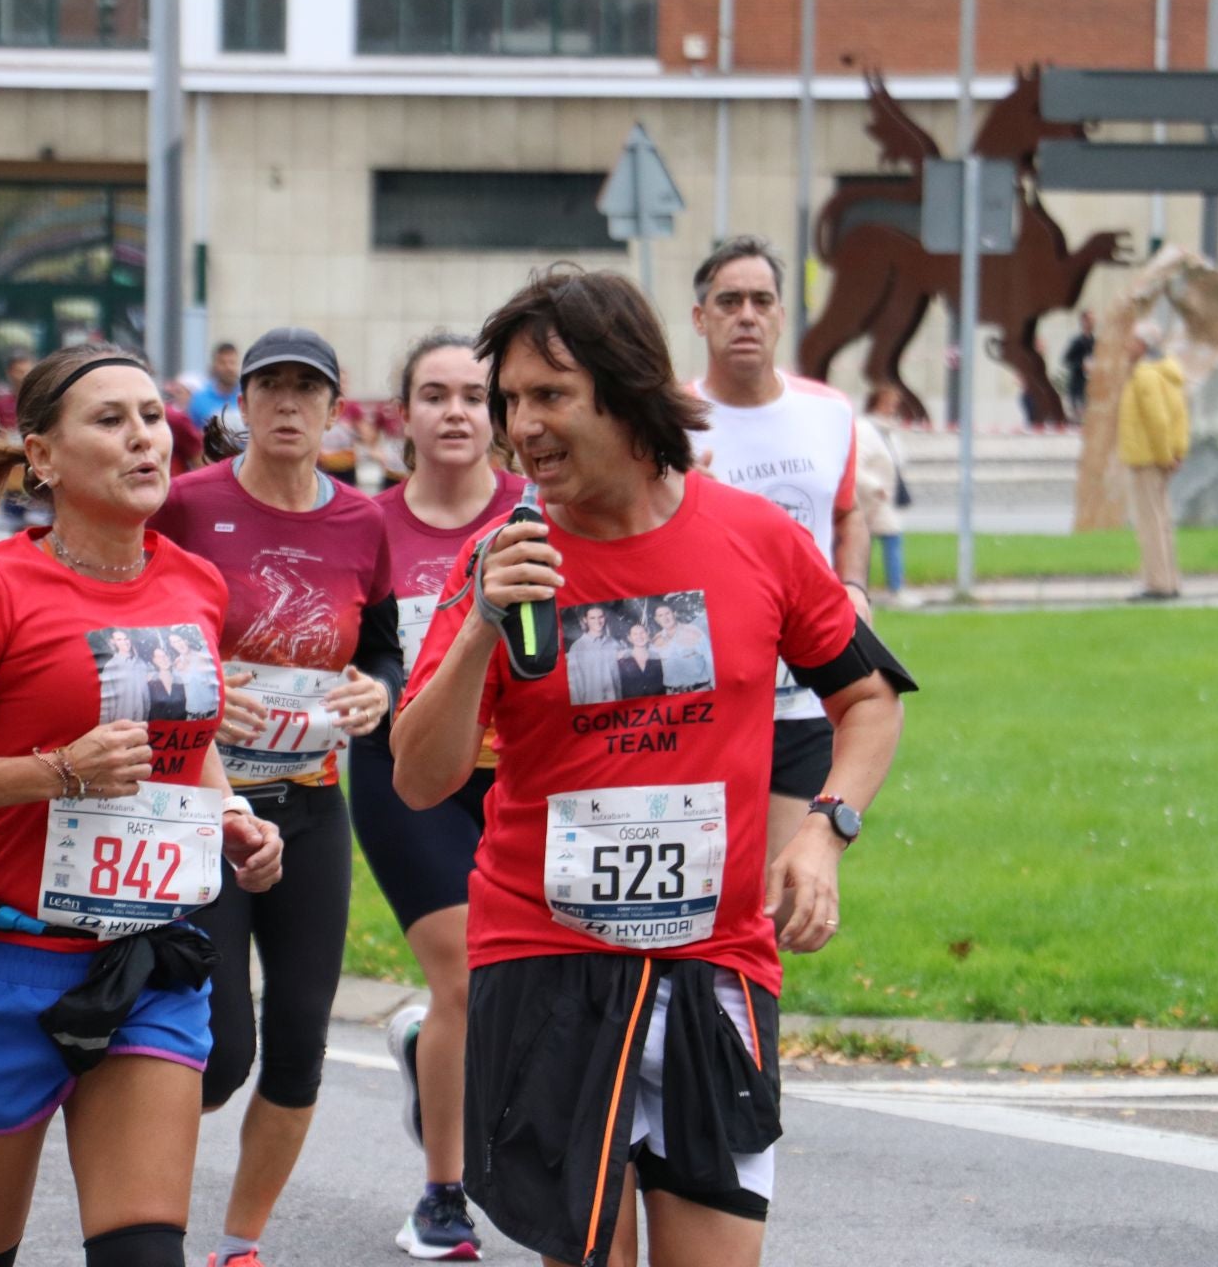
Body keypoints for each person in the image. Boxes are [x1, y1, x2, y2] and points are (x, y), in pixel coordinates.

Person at [391, 266, 912, 1267]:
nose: (522, 425)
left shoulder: (757, 538)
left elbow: (868, 698)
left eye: (548, 395)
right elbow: (421, 776)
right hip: (546, 956)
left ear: (625, 390)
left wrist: (826, 826)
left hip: (714, 961)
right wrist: (480, 628)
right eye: (510, 402)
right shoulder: (504, 560)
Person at [0, 342, 285, 1267]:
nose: (143, 440)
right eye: (109, 420)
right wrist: (56, 772)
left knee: (143, 1256)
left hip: (145, 964)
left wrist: (230, 816)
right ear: (43, 457)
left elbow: (184, 744)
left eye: (148, 418)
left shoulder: (193, 583)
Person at [150, 325, 402, 1267]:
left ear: (336, 409)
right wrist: (203, 687)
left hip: (310, 800)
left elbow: (380, 642)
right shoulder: (184, 507)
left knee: (300, 1040)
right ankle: (145, 1216)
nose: (289, 405)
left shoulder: (361, 522)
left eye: (309, 389)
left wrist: (380, 687)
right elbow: (132, 618)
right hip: (205, 807)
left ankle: (237, 1245)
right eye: (271, 388)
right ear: (241, 405)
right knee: (219, 1053)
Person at [348, 332, 523, 1261]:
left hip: (521, 774)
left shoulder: (536, 515)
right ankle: (444, 1194)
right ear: (401, 414)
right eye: (434, 395)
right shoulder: (365, 527)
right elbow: (338, 644)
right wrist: (357, 684)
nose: (456, 413)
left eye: (473, 396)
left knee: (505, 982)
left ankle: (429, 1052)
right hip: (405, 777)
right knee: (463, 971)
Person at [687, 236, 873, 935]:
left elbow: (848, 510)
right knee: (704, 897)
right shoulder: (670, 418)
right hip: (708, 694)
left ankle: (742, 1040)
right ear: (700, 317)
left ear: (781, 315)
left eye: (761, 301)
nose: (746, 316)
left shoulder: (828, 412)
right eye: (728, 302)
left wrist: (852, 585)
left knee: (781, 904)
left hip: (802, 697)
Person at [1117, 320, 1188, 601]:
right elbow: (1177, 416)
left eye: (1131, 340)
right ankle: (1169, 581)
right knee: (1162, 521)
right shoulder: (1167, 371)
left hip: (1148, 459)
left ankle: (1157, 584)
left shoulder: (1145, 374)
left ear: (1143, 345)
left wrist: (1164, 456)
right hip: (1160, 458)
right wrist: (1175, 453)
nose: (1126, 345)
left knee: (1150, 524)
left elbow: (1157, 420)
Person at [856, 393, 915, 608]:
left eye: (894, 404)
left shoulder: (887, 431)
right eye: (887, 403)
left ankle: (869, 589)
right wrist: (874, 486)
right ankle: (893, 589)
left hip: (883, 497)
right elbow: (856, 465)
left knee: (874, 542)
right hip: (872, 497)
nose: (892, 409)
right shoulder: (865, 430)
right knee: (886, 539)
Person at [565, 604, 622, 705]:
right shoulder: (577, 647)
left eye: (601, 617)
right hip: (591, 705)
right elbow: (575, 685)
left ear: (605, 617)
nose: (598, 621)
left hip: (615, 703)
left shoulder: (614, 643)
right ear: (585, 620)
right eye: (592, 618)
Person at [187, 341, 241, 431]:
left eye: (232, 362)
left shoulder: (247, 396)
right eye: (223, 363)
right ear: (214, 365)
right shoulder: (199, 399)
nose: (228, 368)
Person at [1061, 310, 1097, 423]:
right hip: (1077, 387)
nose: (1093, 322)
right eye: (1091, 320)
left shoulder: (1094, 341)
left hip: (1090, 386)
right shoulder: (1077, 341)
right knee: (1077, 419)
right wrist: (1081, 365)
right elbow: (1066, 360)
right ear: (1084, 321)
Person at [0, 350, 34, 433]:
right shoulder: (0, 404)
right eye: (19, 372)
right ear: (9, 372)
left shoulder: (41, 401)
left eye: (28, 371)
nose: (25, 375)